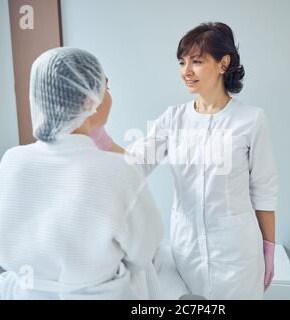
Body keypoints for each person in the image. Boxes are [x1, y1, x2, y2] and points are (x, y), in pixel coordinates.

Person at [105, 22, 278, 299]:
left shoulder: (251, 120)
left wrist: (269, 247)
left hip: (237, 255)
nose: (186, 71)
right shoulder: (173, 118)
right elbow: (136, 162)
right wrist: (97, 137)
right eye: (182, 62)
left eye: (196, 61)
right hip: (187, 250)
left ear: (224, 63)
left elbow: (264, 191)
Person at [0, 47, 163, 299]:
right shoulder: (119, 172)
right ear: (88, 100)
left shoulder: (12, 160)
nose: (110, 95)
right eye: (106, 87)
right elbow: (145, 251)